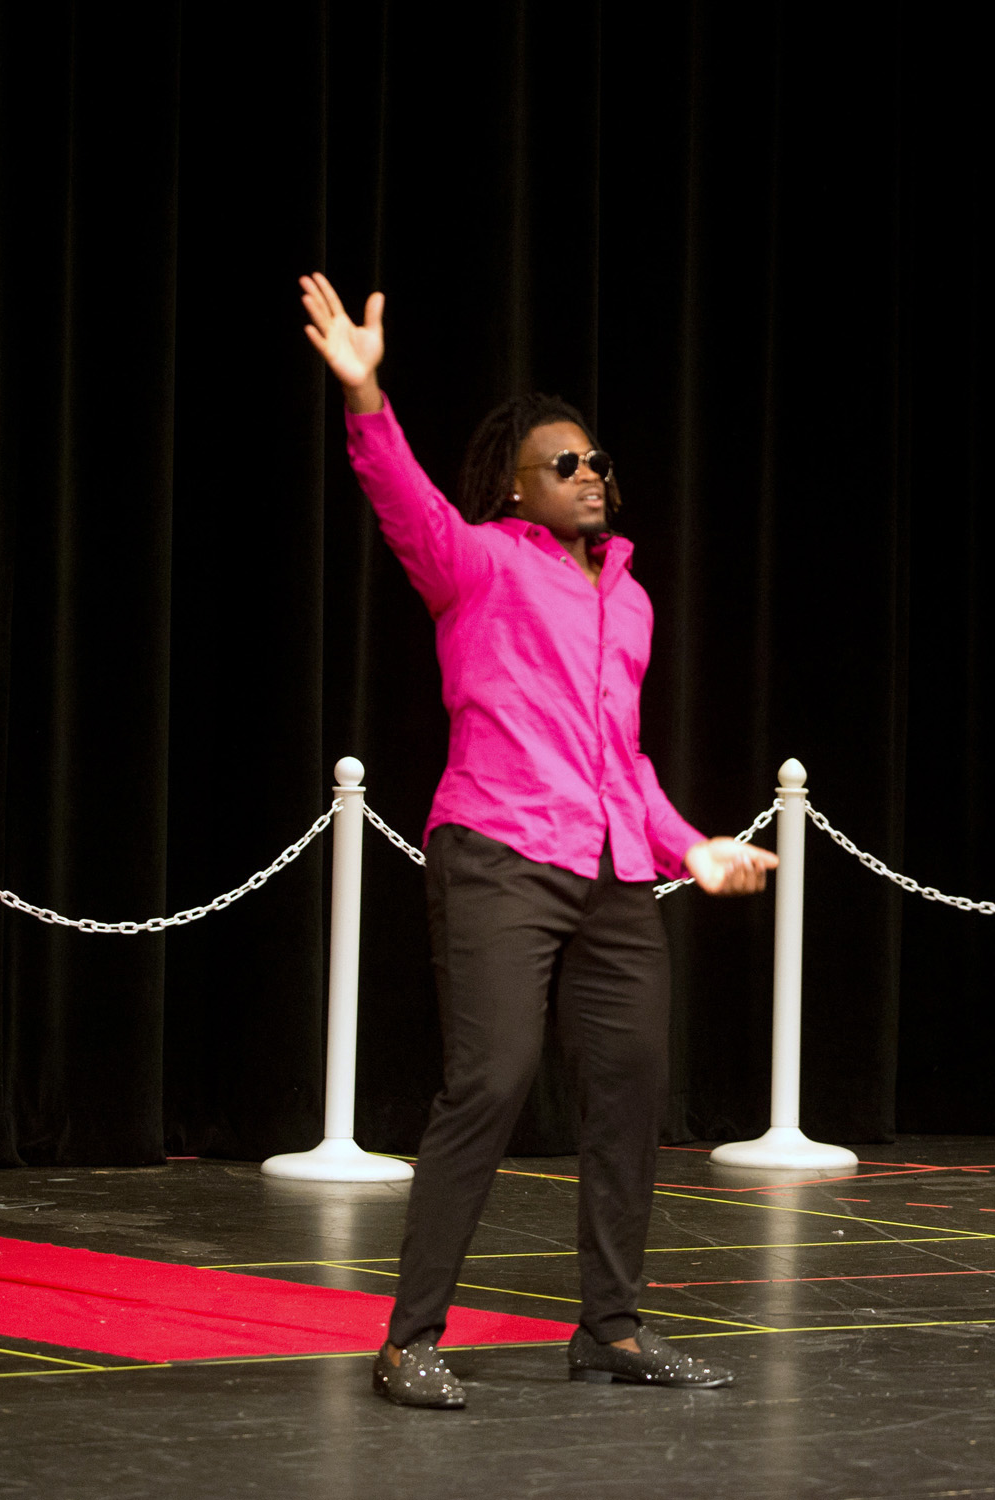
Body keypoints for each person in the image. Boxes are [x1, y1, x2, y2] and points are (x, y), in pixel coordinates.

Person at [301, 273, 777, 1407]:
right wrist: (368, 397)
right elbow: (401, 498)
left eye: (598, 461)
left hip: (614, 872)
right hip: (500, 854)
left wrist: (691, 845)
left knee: (629, 1086)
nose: (592, 475)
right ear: (517, 490)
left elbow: (625, 761)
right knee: (494, 1079)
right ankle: (410, 1336)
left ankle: (610, 1327)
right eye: (565, 464)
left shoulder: (635, 599)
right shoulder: (477, 563)